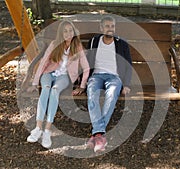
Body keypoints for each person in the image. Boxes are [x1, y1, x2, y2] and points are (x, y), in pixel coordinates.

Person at [26, 20, 90, 148]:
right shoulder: (54, 44)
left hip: (64, 77)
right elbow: (43, 63)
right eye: (65, 31)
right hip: (48, 74)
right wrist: (34, 83)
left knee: (54, 90)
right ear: (61, 33)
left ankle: (47, 130)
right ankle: (38, 127)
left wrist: (82, 86)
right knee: (46, 88)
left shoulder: (77, 47)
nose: (68, 34)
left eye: (70, 31)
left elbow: (87, 67)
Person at [85, 16, 132, 152]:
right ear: (101, 28)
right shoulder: (94, 41)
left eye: (112, 26)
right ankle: (100, 135)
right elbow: (87, 62)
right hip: (96, 76)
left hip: (114, 77)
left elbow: (128, 65)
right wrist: (81, 83)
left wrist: (127, 84)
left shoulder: (122, 44)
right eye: (107, 26)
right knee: (92, 94)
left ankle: (97, 134)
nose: (110, 29)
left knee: (111, 95)